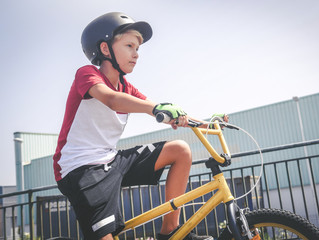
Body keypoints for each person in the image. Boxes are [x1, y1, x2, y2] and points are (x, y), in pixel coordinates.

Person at [53, 12, 215, 240]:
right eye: (129, 45)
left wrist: (206, 122)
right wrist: (155, 108)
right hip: (79, 168)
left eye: (138, 48)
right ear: (105, 49)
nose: (136, 54)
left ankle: (170, 231)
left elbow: (153, 106)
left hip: (111, 160)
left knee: (180, 150)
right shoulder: (87, 74)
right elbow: (110, 99)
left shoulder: (127, 88)